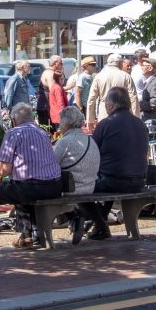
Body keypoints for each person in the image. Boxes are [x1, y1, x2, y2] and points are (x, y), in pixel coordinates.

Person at [0, 103, 63, 253]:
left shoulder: (14, 133)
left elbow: (4, 170)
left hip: (30, 187)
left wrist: (0, 165)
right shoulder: (42, 133)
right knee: (19, 184)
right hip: (53, 187)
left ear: (14, 120)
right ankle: (26, 236)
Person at [81, 87, 150, 240]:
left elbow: (91, 152)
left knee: (79, 189)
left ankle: (100, 224)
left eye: (105, 103)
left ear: (111, 106)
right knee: (109, 177)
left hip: (113, 180)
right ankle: (100, 226)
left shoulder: (106, 124)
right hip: (139, 180)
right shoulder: (140, 124)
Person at [52, 105, 101, 244]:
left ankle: (73, 219)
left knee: (45, 188)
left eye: (60, 122)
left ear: (66, 124)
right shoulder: (91, 140)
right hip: (90, 187)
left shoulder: (64, 142)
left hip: (71, 189)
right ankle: (74, 220)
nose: (59, 125)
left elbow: (51, 166)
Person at [85, 52, 139, 126]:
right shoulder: (126, 76)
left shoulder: (99, 76)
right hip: (122, 112)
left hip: (104, 111)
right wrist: (136, 117)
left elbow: (91, 99)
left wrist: (90, 120)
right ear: (120, 63)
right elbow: (133, 98)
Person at [137, 56, 156, 121]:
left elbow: (154, 104)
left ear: (150, 68)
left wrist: (138, 104)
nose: (141, 67)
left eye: (143, 65)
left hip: (152, 120)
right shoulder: (151, 81)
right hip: (149, 119)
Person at [43, 55, 66, 132]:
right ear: (55, 63)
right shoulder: (50, 74)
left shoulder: (52, 74)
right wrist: (63, 115)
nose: (62, 65)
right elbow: (57, 97)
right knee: (55, 133)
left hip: (52, 109)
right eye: (61, 63)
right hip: (50, 108)